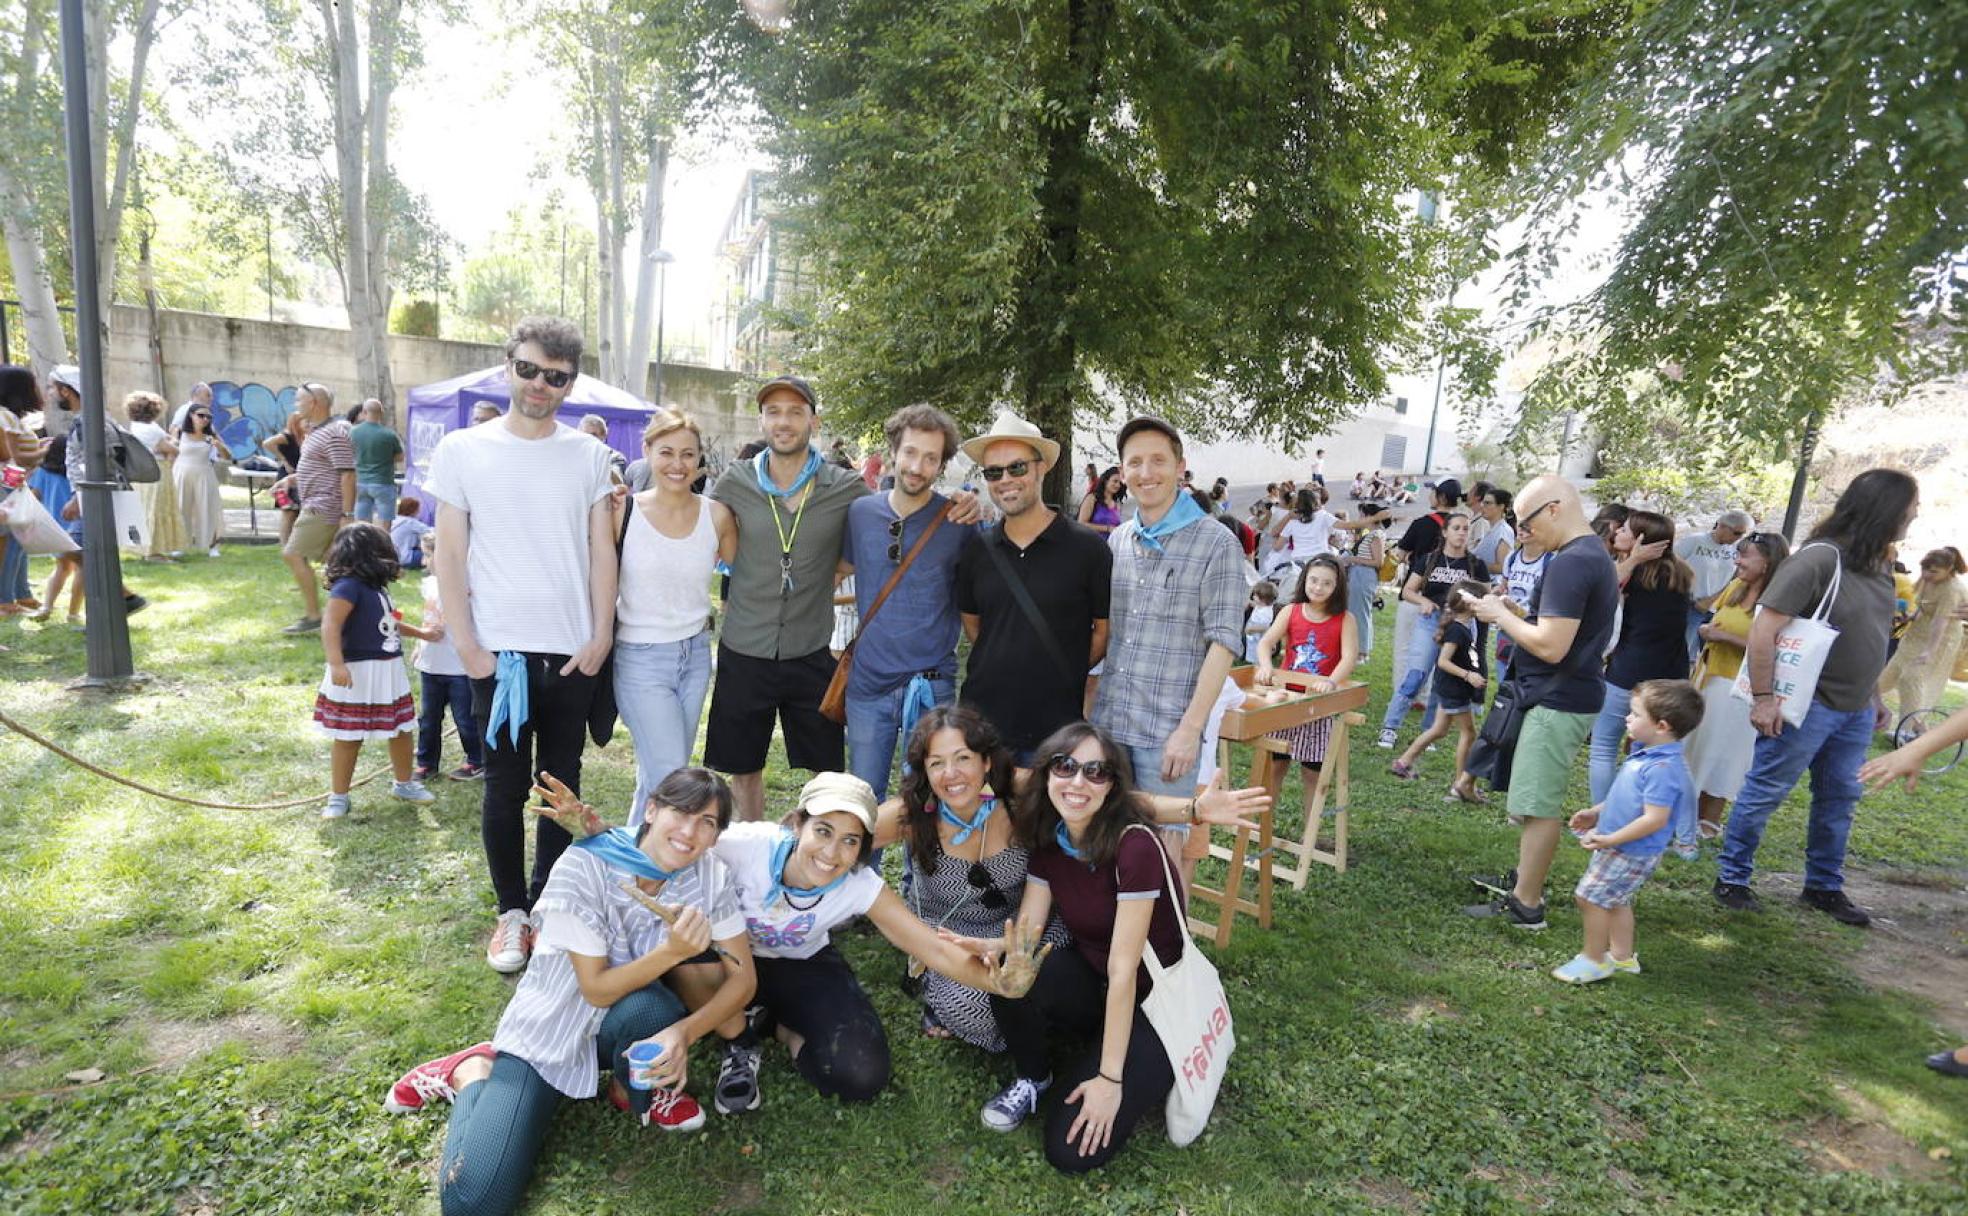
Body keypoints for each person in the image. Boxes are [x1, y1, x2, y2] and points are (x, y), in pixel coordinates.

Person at [385, 769, 756, 1216]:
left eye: (708, 823)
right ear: (652, 809)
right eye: (681, 812)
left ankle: (629, 1087)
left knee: (656, 1010)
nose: (690, 832)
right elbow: (595, 989)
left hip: (621, 1019)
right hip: (550, 1031)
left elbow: (744, 978)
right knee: (474, 1203)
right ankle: (471, 1072)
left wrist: (684, 1034)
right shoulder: (585, 865)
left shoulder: (709, 875)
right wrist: (672, 952)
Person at [426, 316, 620, 972]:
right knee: (505, 787)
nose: (541, 386)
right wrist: (468, 646)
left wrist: (601, 635)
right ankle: (511, 913)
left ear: (571, 383)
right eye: (530, 370)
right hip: (499, 656)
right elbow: (449, 554)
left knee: (558, 785)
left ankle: (546, 905)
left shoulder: (591, 455)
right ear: (508, 366)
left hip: (572, 653)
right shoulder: (461, 450)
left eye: (557, 377)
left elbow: (602, 550)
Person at [971, 722, 1186, 1173]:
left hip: (1157, 1004)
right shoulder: (1052, 841)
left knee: (1068, 1151)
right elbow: (1028, 930)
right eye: (1066, 767)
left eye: (1096, 772)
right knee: (1014, 971)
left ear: (1112, 785)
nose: (1078, 782)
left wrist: (1109, 1080)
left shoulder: (1134, 848)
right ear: (1047, 773)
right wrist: (995, 945)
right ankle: (1034, 1076)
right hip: (1099, 984)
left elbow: (1125, 970)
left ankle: (1132, 1061)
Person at [1714, 468, 1916, 927]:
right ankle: (1732, 878)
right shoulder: (1819, 560)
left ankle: (1823, 887)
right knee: (1766, 790)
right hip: (1805, 706)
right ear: (1882, 510)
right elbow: (1765, 630)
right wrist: (1764, 699)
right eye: (1909, 508)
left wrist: (1875, 697)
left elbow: (1872, 636)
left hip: (1856, 710)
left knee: (1840, 798)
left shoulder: (1882, 565)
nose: (1914, 515)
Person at [705, 377, 869, 822]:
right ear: (762, 420)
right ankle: (752, 850)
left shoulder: (844, 486)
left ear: (813, 422)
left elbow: (886, 523)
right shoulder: (734, 481)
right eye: (774, 411)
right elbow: (690, 523)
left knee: (825, 769)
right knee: (744, 766)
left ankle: (811, 847)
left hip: (810, 647)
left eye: (795, 412)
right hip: (744, 646)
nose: (783, 421)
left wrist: (833, 569)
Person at [1091, 416, 1245, 885]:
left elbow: (1224, 643)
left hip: (1168, 731)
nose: (1146, 472)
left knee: (1161, 854)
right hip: (1112, 721)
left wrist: (1189, 730)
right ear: (1121, 472)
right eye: (1134, 463)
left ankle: (1166, 954)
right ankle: (1114, 954)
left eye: (1158, 460)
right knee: (1105, 845)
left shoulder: (1217, 542)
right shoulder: (1118, 540)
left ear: (1180, 467)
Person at [1464, 474, 1620, 931]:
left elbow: (1552, 646)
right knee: (1532, 799)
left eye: (1526, 524)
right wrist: (1515, 613)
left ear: (1555, 508)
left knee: (1536, 805)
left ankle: (1526, 905)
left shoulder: (1572, 561)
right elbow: (1565, 633)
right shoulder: (1590, 555)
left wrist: (1497, 616)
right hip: (1565, 693)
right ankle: (1522, 882)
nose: (1524, 534)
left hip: (1558, 699)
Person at [955, 411, 1111, 765]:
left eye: (1017, 467)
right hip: (983, 727)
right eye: (994, 472)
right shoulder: (976, 551)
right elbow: (973, 625)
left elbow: (1103, 632)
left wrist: (1060, 667)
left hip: (1056, 729)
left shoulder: (1088, 549)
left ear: (1041, 468)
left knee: (1044, 820)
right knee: (988, 819)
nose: (1005, 479)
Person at [840, 405, 973, 803]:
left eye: (931, 458)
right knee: (865, 798)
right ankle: (866, 869)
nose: (918, 466)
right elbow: (833, 571)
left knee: (928, 801)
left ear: (942, 464)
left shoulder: (959, 522)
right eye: (911, 453)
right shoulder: (861, 513)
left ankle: (923, 870)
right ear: (893, 451)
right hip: (868, 683)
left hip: (932, 684)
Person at [613, 409, 737, 827]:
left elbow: (747, 572)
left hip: (696, 654)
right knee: (670, 777)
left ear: (700, 459)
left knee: (660, 775)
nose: (677, 464)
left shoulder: (716, 515)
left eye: (688, 454)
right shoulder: (621, 512)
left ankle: (630, 872)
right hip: (641, 657)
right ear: (646, 452)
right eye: (666, 452)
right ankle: (651, 870)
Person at [1551, 679, 1702, 984]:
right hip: (1623, 845)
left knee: (1590, 897)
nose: (1627, 719)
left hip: (1630, 850)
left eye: (1635, 714)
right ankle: (1622, 957)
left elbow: (1654, 820)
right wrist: (1596, 813)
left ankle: (1594, 960)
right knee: (1617, 899)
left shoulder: (1663, 769)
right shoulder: (1648, 755)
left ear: (1661, 726)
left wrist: (1610, 839)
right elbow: (1629, 798)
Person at [312, 523, 441, 818]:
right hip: (356, 672)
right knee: (348, 736)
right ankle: (338, 797)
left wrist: (422, 634)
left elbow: (388, 622)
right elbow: (331, 624)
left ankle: (404, 783)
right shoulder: (348, 587)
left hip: (388, 671)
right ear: (372, 553)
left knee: (401, 730)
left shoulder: (376, 588)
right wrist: (336, 663)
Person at [1680, 531, 1788, 837]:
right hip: (1709, 677)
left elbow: (1775, 647)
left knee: (1725, 751)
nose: (1737, 561)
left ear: (1767, 563)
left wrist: (1725, 637)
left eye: (1745, 556)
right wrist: (1707, 630)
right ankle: (1687, 811)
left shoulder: (1778, 602)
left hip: (1742, 688)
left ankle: (1710, 817)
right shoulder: (1736, 587)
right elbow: (1713, 617)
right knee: (1698, 744)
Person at [1587, 511, 1694, 804]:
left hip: (1628, 672)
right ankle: (1648, 812)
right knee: (1655, 752)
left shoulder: (1633, 574)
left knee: (1604, 746)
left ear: (1642, 540)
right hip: (1673, 675)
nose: (1617, 531)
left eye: (1625, 529)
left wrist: (1633, 560)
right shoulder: (1679, 574)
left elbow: (1598, 590)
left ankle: (1605, 814)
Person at [1252, 555, 1361, 822]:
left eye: (1326, 583)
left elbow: (1349, 657)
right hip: (1286, 699)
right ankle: (1261, 825)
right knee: (1275, 765)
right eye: (1313, 580)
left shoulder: (1345, 619)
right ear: (1304, 581)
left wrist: (1331, 682)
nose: (1318, 587)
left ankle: (1310, 830)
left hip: (1319, 704)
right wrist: (1266, 665)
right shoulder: (1291, 611)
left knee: (1313, 772)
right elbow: (1266, 643)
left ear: (1337, 586)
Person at [1378, 512, 1489, 747]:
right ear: (1445, 532)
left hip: (1460, 625)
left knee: (1443, 678)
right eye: (1457, 528)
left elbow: (1487, 597)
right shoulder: (1429, 560)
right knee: (1416, 675)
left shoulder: (1475, 564)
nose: (1461, 532)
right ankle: (1390, 727)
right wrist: (1423, 601)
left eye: (1466, 529)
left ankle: (1428, 733)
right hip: (1431, 621)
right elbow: (1407, 590)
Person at [1389, 580, 1489, 788]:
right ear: (1469, 604)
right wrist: (1468, 675)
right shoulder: (1457, 631)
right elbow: (1443, 662)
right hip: (1454, 689)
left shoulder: (1464, 626)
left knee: (1438, 730)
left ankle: (1403, 763)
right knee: (1469, 733)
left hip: (1451, 688)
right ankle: (1461, 783)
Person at [278, 383, 355, 633]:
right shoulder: (317, 432)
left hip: (324, 506)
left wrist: (346, 515)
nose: (296, 405)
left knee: (293, 553)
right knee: (337, 564)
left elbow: (347, 474)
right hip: (316, 503)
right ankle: (350, 614)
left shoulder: (334, 432)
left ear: (314, 403)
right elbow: (323, 468)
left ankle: (314, 617)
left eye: (299, 400)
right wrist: (291, 479)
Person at [410, 529, 485, 783]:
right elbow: (428, 617)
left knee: (465, 718)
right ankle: (426, 763)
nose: (423, 561)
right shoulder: (430, 584)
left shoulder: (469, 585)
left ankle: (477, 760)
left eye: (427, 555)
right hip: (431, 665)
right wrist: (420, 646)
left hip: (459, 667)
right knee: (428, 718)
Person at [1385, 479, 1464, 710]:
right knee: (1432, 649)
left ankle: (1402, 693)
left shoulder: (1421, 524)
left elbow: (1398, 555)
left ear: (1440, 497)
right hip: (1445, 600)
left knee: (1405, 647)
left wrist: (1411, 558)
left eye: (1432, 492)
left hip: (1414, 594)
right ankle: (1423, 696)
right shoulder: (1461, 527)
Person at [1877, 546, 1966, 722]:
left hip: (1940, 640)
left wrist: (1929, 652)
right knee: (1891, 672)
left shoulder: (1952, 590)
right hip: (1916, 635)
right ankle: (1862, 707)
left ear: (1949, 569)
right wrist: (1909, 617)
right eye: (1924, 569)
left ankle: (1909, 727)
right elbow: (1923, 606)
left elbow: (1940, 622)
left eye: (1933, 571)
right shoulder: (1929, 581)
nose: (1926, 574)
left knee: (1912, 678)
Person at [0, 366, 50, 610]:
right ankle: (6, 599)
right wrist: (45, 451)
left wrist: (38, 447)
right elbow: (14, 457)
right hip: (7, 485)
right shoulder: (4, 416)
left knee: (19, 540)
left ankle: (21, 593)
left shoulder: (11, 416)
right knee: (12, 540)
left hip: (15, 485)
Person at [1675, 510, 1752, 659]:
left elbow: (1735, 578)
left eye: (1743, 534)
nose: (1740, 538)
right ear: (1722, 526)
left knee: (1709, 656)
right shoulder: (1694, 541)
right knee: (1683, 653)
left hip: (1717, 607)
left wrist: (1713, 600)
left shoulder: (1735, 550)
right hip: (1690, 604)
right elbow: (1671, 565)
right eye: (1737, 533)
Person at [123, 392, 189, 563]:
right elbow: (172, 449)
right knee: (157, 509)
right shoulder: (151, 429)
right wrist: (173, 446)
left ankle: (143, 548)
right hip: (157, 471)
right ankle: (155, 552)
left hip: (142, 471)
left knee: (145, 509)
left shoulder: (135, 427)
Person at [172, 399, 233, 556]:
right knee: (181, 508)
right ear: (191, 416)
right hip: (182, 473)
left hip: (204, 473)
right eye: (201, 416)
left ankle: (212, 546)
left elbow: (228, 456)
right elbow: (171, 451)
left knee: (208, 507)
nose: (205, 419)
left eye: (208, 417)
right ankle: (180, 545)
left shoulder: (210, 435)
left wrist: (219, 445)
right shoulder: (179, 432)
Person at [348, 399, 403, 524]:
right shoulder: (390, 434)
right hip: (383, 482)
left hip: (361, 482)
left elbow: (348, 454)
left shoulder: (353, 432)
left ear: (364, 412)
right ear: (381, 413)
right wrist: (385, 458)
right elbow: (400, 457)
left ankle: (363, 543)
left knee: (362, 523)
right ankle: (383, 543)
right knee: (385, 522)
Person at [263, 409, 308, 546]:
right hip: (285, 476)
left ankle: (294, 543)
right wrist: (283, 460)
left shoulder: (306, 437)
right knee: (287, 511)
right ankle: (284, 543)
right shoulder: (287, 436)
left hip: (298, 477)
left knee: (297, 511)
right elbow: (267, 443)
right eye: (303, 421)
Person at [580, 414, 629, 483]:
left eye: (593, 435)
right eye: (584, 435)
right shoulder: (574, 455)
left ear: (604, 436)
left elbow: (618, 482)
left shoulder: (615, 457)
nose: (588, 438)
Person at [1077, 466, 1125, 535]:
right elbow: (1081, 524)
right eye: (1115, 481)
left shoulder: (1117, 504)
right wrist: (1107, 528)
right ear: (1106, 481)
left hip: (1109, 544)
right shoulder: (1092, 498)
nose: (1118, 485)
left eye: (1120, 483)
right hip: (1091, 543)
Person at [390, 497, 432, 570]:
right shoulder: (410, 522)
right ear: (413, 510)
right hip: (405, 558)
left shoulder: (394, 520)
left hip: (393, 558)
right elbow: (430, 531)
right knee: (433, 553)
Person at [1243, 580, 1278, 663]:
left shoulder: (1266, 613)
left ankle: (1258, 667)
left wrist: (1251, 629)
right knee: (1252, 651)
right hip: (1254, 637)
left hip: (1258, 636)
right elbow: (1257, 606)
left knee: (1258, 655)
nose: (1253, 596)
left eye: (1256, 595)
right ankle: (1253, 665)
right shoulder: (1261, 606)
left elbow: (1266, 627)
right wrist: (1250, 603)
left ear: (1263, 599)